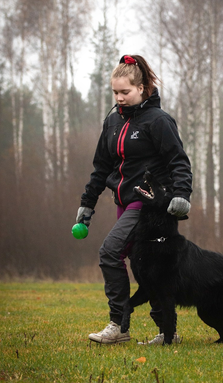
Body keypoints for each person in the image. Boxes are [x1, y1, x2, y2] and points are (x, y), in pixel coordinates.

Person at [76, 55, 192, 345]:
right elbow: (102, 167)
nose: (119, 98)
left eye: (125, 92)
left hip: (151, 204)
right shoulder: (112, 121)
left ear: (142, 88)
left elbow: (178, 161)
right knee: (142, 263)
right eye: (115, 92)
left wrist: (181, 195)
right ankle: (167, 332)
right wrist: (87, 204)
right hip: (124, 201)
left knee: (110, 251)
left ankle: (118, 325)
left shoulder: (159, 121)